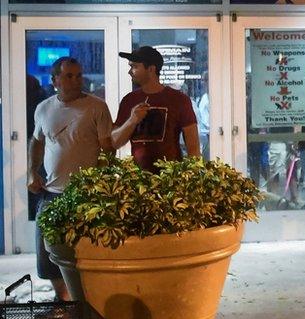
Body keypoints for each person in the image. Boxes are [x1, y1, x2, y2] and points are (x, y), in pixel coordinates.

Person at [28, 57, 113, 300]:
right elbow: (37, 142)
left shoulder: (97, 107)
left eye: (78, 75)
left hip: (86, 194)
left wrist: (100, 183)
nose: (76, 81)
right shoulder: (44, 108)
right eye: (68, 76)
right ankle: (62, 300)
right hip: (52, 191)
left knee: (87, 248)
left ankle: (85, 298)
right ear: (55, 80)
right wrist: (32, 171)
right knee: (47, 249)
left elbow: (108, 149)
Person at [111, 46, 201, 172]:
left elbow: (193, 147)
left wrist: (192, 178)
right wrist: (132, 121)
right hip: (138, 180)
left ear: (151, 69)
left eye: (135, 67)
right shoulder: (129, 101)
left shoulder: (179, 100)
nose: (130, 71)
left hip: (170, 180)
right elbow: (114, 142)